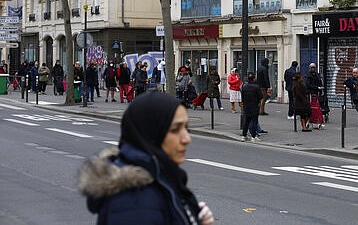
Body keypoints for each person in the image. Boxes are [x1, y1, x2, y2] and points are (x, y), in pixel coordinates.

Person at [78, 91, 215, 225]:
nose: (186, 138)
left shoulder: (159, 177)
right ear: (151, 133)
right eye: (175, 129)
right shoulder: (134, 201)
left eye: (186, 128)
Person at [241, 72, 263, 142]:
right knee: (254, 122)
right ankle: (253, 137)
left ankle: (244, 136)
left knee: (246, 122)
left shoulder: (244, 87)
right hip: (254, 106)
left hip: (247, 106)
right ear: (253, 79)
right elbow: (260, 97)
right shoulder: (256, 87)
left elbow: (242, 97)